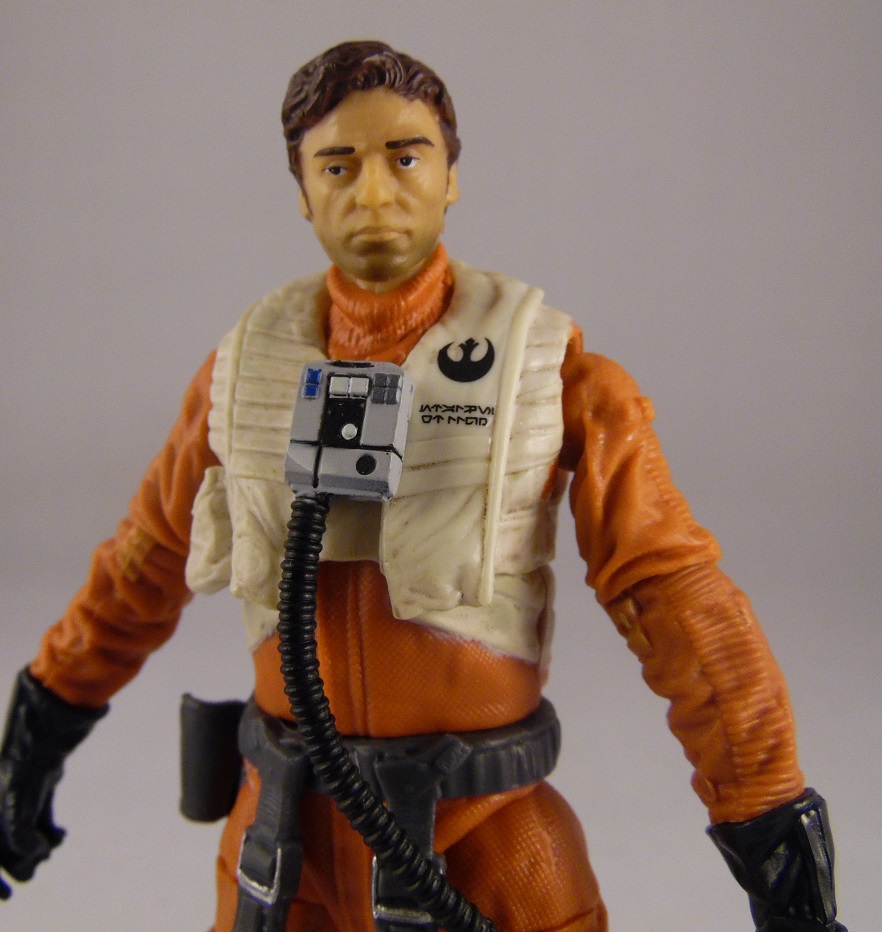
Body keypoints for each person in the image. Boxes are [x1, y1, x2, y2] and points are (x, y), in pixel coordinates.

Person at [0, 40, 846, 932]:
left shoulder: (548, 372)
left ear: (451, 177)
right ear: (302, 192)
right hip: (283, 839)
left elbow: (675, 598)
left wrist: (768, 819)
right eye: (338, 165)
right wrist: (38, 732)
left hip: (487, 834)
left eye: (405, 158)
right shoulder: (242, 377)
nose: (373, 193)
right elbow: (138, 569)